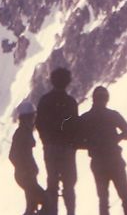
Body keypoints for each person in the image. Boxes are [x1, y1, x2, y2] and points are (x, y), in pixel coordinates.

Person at [78, 86, 127, 215]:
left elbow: (76, 142)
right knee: (125, 195)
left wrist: (91, 145)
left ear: (94, 99)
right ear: (106, 99)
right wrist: (117, 138)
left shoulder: (85, 118)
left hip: (98, 162)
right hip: (115, 159)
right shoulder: (112, 115)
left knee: (103, 199)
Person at [36, 68, 79, 215]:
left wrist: (46, 141)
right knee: (69, 185)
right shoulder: (71, 102)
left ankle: (52, 212)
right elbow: (75, 125)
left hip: (50, 147)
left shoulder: (44, 101)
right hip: (67, 148)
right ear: (67, 82)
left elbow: (39, 124)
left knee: (52, 183)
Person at [9, 100, 47, 215]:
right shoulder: (22, 133)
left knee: (32, 204)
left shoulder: (23, 132)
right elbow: (13, 156)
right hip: (26, 176)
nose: (33, 120)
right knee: (45, 201)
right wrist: (26, 169)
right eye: (32, 117)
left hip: (25, 176)